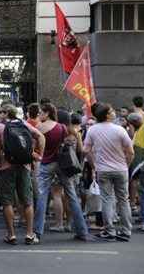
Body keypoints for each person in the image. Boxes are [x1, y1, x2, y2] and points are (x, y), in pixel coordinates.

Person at [34, 103, 90, 243]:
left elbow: (35, 145)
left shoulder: (40, 127)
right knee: (71, 195)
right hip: (62, 164)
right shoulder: (63, 128)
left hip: (46, 164)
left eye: (41, 112)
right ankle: (82, 231)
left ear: (47, 113)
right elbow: (71, 142)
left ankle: (37, 232)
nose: (40, 114)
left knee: (42, 196)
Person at [0, 104, 45, 245]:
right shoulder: (25, 125)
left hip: (5, 167)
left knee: (7, 201)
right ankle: (29, 234)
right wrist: (38, 155)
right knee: (27, 200)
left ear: (6, 114)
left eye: (1, 112)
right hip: (24, 166)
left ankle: (11, 234)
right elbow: (40, 136)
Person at [83, 102, 134, 241]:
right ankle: (126, 231)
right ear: (106, 115)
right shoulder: (120, 130)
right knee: (124, 200)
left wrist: (94, 165)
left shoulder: (93, 130)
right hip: (121, 169)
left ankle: (109, 231)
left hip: (103, 170)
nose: (113, 113)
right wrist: (126, 165)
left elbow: (85, 150)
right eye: (111, 111)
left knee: (106, 200)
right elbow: (130, 151)